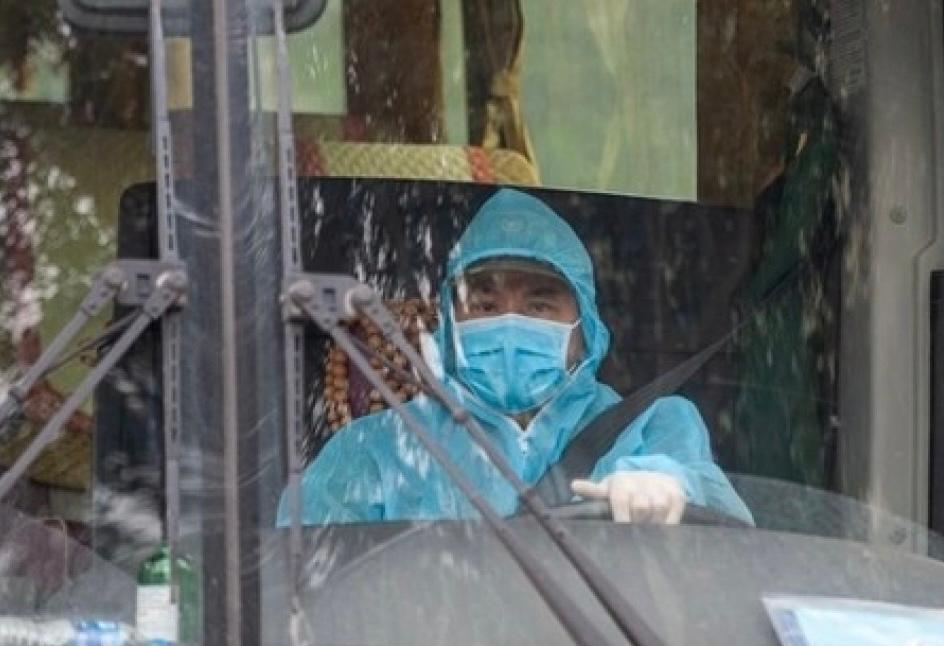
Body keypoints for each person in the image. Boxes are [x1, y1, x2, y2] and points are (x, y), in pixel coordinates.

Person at [278, 188, 753, 526]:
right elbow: (309, 588)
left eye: (539, 305)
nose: (509, 322)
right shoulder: (376, 450)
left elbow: (734, 534)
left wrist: (671, 488)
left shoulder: (651, 428)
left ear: (585, 329)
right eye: (485, 304)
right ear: (450, 325)